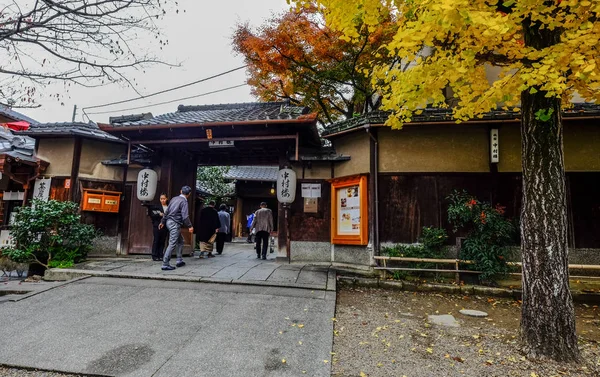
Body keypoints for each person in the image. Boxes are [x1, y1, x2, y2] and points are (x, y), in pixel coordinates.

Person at [159, 186, 194, 271]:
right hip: (175, 223)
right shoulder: (184, 201)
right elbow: (185, 216)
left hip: (168, 222)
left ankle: (179, 260)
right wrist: (190, 226)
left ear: (181, 191)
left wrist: (162, 221)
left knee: (180, 241)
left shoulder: (174, 199)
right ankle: (165, 263)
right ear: (189, 194)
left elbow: (166, 211)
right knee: (172, 243)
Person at [147, 193, 168, 261]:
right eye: (161, 199)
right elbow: (152, 214)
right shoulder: (156, 206)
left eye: (164, 199)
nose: (162, 200)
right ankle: (154, 255)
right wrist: (159, 214)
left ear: (166, 199)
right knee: (156, 240)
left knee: (162, 241)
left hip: (165, 225)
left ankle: (160, 255)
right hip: (157, 225)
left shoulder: (168, 207)